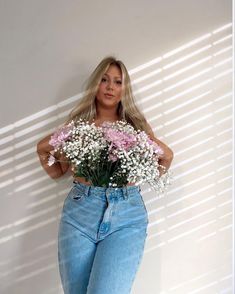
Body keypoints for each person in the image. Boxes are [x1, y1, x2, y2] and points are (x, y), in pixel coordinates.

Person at [36, 56, 174, 294]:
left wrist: (145, 172)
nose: (110, 86)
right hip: (80, 214)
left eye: (118, 82)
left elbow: (166, 156)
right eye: (104, 80)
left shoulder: (135, 125)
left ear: (124, 89)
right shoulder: (80, 124)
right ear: (96, 84)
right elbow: (49, 156)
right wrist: (59, 162)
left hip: (127, 217)